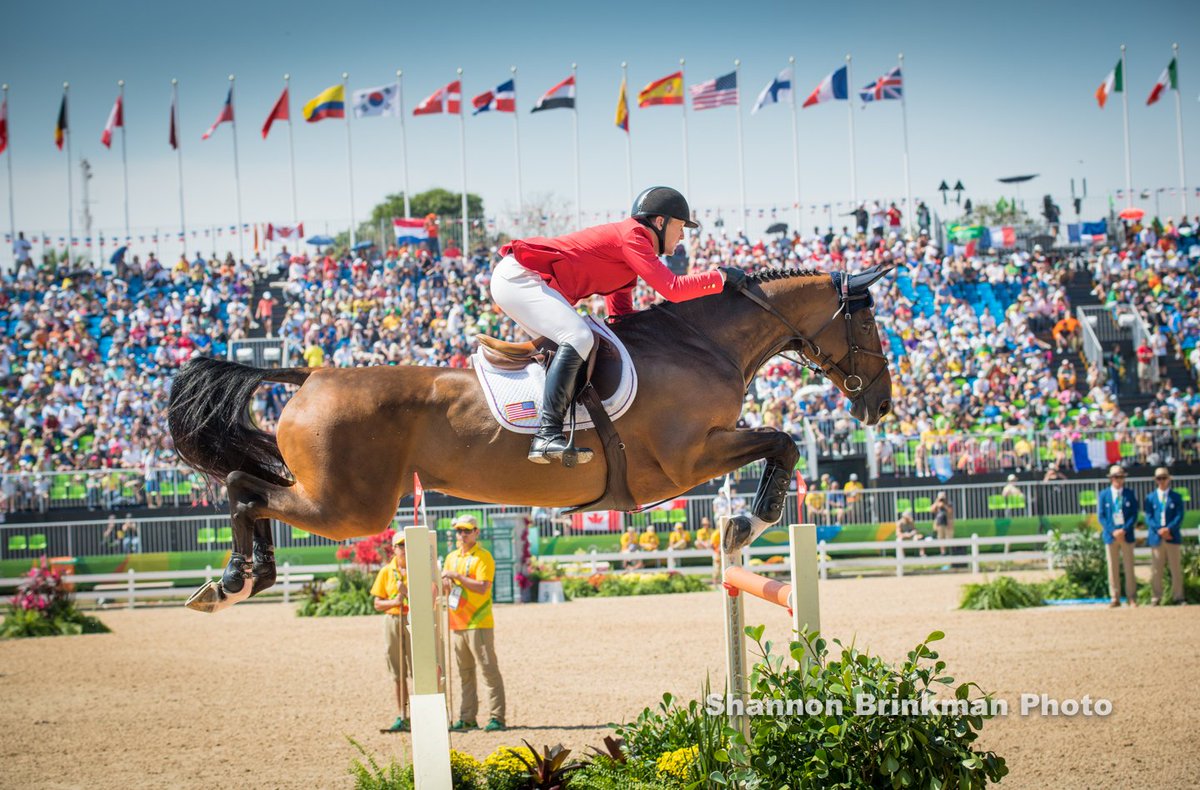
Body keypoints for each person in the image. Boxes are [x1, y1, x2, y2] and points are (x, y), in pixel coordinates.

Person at [492, 186, 730, 465]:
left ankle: (549, 430)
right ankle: (546, 434)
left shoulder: (632, 255)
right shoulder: (634, 236)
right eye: (680, 226)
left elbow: (620, 318)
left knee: (581, 349)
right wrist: (720, 278)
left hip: (525, 281)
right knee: (579, 337)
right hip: (521, 277)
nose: (683, 235)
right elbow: (673, 289)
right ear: (660, 222)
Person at [441, 514, 506, 731]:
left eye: (467, 531)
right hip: (458, 622)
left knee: (489, 670)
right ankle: (467, 716)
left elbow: (483, 587)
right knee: (465, 673)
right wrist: (446, 582)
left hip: (479, 622)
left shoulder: (483, 557)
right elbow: (448, 587)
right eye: (459, 531)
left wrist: (456, 576)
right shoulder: (451, 557)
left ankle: (497, 716)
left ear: (476, 532)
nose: (462, 534)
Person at [370, 530, 411, 733]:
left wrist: (408, 594)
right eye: (400, 546)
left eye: (407, 545)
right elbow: (377, 603)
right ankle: (403, 714)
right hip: (393, 619)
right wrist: (394, 602)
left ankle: (420, 713)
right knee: (397, 672)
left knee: (418, 671)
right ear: (393, 549)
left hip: (413, 619)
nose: (404, 550)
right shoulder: (386, 572)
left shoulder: (418, 569)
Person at [1097, 464, 1139, 608]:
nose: (1118, 479)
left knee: (1129, 567)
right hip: (1111, 536)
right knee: (1112, 568)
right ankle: (1114, 597)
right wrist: (1113, 531)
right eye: (1115, 477)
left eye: (1120, 477)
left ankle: (1131, 597)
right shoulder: (1104, 495)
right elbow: (1101, 516)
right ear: (1111, 479)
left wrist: (1124, 530)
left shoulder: (1129, 494)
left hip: (1126, 535)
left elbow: (1134, 514)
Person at [1143, 467, 1186, 606]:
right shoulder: (1150, 498)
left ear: (1168, 479)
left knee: (1175, 568)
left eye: (1164, 478)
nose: (1161, 481)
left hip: (1172, 536)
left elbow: (1179, 516)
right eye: (1159, 478)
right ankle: (1156, 597)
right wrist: (1159, 530)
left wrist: (1169, 529)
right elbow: (1148, 517)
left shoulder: (1176, 497)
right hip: (1157, 537)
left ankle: (1178, 597)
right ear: (1156, 480)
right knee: (1156, 569)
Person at [930, 492, 953, 557]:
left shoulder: (948, 503)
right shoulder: (937, 503)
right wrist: (937, 502)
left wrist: (944, 506)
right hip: (939, 523)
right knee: (940, 538)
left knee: (948, 537)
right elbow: (931, 510)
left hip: (947, 523)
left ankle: (950, 552)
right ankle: (943, 552)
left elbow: (950, 512)